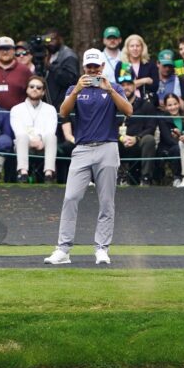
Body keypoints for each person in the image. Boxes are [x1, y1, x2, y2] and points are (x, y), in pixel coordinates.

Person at [44, 49, 132, 266]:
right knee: (70, 197)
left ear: (102, 66)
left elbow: (128, 110)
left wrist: (110, 90)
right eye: (89, 67)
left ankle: (102, 248)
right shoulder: (75, 89)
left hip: (108, 147)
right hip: (82, 148)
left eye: (96, 67)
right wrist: (76, 91)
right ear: (84, 68)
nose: (93, 70)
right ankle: (63, 249)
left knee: (106, 202)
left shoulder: (113, 87)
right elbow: (63, 112)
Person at [9, 75, 59, 182]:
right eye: (31, 86)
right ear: (27, 89)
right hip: (24, 143)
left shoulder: (50, 109)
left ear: (43, 92)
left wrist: (40, 140)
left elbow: (51, 128)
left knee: (51, 136)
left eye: (38, 87)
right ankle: (23, 173)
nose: (35, 89)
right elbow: (17, 129)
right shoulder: (16, 109)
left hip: (43, 144)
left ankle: (49, 174)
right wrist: (31, 141)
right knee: (21, 136)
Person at [116, 73, 157, 186]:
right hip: (119, 143)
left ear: (134, 86)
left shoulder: (145, 104)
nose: (126, 87)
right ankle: (118, 177)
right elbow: (109, 127)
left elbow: (151, 127)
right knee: (108, 140)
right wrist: (121, 137)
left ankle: (145, 179)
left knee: (149, 139)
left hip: (139, 143)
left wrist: (136, 138)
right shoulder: (114, 106)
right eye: (122, 85)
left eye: (129, 84)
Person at [0, 35, 31, 110]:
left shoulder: (24, 70)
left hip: (18, 116)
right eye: (1, 49)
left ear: (14, 50)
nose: (5, 52)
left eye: (8, 49)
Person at [43, 28, 80, 109]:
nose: (50, 42)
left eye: (53, 39)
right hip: (49, 102)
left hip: (62, 103)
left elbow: (71, 80)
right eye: (47, 39)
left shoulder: (69, 56)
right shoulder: (48, 54)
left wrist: (51, 67)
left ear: (60, 39)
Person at [115, 34, 158, 101]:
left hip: (147, 102)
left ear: (142, 48)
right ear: (127, 48)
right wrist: (144, 80)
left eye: (138, 46)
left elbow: (155, 86)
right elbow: (119, 86)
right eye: (132, 46)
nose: (135, 48)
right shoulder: (121, 64)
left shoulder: (150, 64)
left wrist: (132, 84)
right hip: (126, 101)